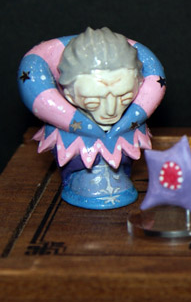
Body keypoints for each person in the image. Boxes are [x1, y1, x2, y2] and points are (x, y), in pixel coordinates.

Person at [18, 27, 165, 209]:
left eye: (125, 97)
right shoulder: (67, 131)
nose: (111, 110)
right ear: (69, 95)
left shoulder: (132, 125)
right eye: (94, 101)